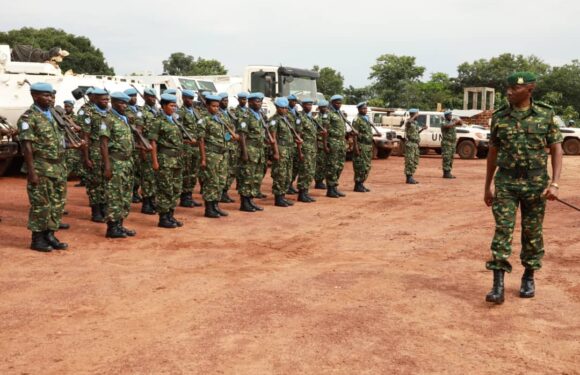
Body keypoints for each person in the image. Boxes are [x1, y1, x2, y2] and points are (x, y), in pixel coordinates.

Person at [484, 72, 563, 304]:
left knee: (532, 233)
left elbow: (557, 149)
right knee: (503, 230)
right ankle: (497, 285)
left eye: (514, 88)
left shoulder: (546, 114)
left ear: (529, 89)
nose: (508, 92)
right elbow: (493, 153)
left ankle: (529, 276)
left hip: (535, 184)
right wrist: (487, 186)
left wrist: (555, 183)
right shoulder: (499, 117)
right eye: (507, 87)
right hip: (506, 182)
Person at [17, 82, 68, 252]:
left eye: (51, 95)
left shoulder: (52, 115)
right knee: (41, 204)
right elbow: (27, 147)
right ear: (35, 96)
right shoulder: (28, 118)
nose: (50, 98)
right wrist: (31, 171)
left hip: (58, 166)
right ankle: (37, 238)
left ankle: (50, 235)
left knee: (57, 202)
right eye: (46, 96)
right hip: (40, 167)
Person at [100, 92, 136, 238]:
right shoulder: (108, 119)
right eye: (121, 103)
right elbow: (103, 144)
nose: (124, 106)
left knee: (125, 195)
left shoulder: (124, 119)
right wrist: (107, 166)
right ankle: (112, 227)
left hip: (127, 162)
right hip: (115, 162)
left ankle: (120, 225)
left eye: (125, 103)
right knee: (115, 195)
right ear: (113, 103)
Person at [148, 94, 186, 228]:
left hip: (177, 160)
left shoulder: (174, 120)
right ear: (163, 106)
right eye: (171, 105)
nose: (174, 108)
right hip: (165, 160)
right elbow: (153, 142)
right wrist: (155, 161)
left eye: (175, 105)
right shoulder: (158, 121)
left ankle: (170, 215)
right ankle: (163, 218)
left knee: (176, 188)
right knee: (165, 189)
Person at [197, 94, 232, 218]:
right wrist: (203, 158)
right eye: (213, 106)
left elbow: (226, 134)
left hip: (222, 154)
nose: (216, 108)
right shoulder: (204, 120)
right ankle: (209, 208)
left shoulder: (221, 118)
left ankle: (216, 206)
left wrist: (229, 138)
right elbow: (200, 140)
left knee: (220, 181)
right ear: (207, 106)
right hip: (211, 154)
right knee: (211, 181)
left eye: (217, 106)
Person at [80, 87, 110, 222]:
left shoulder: (109, 113)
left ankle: (104, 208)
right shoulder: (89, 113)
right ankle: (96, 211)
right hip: (95, 152)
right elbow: (85, 136)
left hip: (108, 152)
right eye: (103, 99)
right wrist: (86, 157)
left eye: (107, 99)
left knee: (106, 182)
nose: (106, 101)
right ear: (95, 99)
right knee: (95, 183)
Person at [237, 92, 268, 212]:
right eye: (256, 101)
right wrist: (244, 152)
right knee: (247, 177)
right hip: (249, 150)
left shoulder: (259, 115)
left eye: (260, 101)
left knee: (256, 177)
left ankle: (250, 200)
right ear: (250, 102)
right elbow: (242, 135)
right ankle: (244, 203)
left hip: (258, 151)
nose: (259, 103)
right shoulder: (246, 116)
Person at [268, 97, 297, 207]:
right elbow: (273, 138)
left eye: (286, 108)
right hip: (280, 150)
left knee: (287, 174)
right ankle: (278, 198)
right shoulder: (274, 120)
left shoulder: (285, 119)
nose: (284, 110)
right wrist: (275, 152)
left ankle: (283, 196)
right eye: (282, 108)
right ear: (277, 108)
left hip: (288, 150)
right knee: (280, 174)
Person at [177, 89, 202, 208]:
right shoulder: (180, 112)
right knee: (186, 172)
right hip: (186, 147)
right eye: (188, 98)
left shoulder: (195, 112)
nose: (190, 101)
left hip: (196, 147)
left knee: (194, 172)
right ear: (183, 98)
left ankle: (189, 195)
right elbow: (177, 130)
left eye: (192, 98)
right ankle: (184, 197)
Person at [295, 98, 319, 202]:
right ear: (303, 106)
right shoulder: (300, 118)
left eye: (310, 105)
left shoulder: (311, 118)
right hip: (305, 148)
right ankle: (301, 194)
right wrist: (299, 151)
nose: (309, 107)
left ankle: (305, 192)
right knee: (304, 170)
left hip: (312, 148)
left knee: (310, 171)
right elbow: (298, 135)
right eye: (307, 105)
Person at [140, 88, 159, 215]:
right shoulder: (141, 113)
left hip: (156, 148)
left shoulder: (157, 111)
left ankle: (153, 201)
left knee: (154, 177)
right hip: (146, 149)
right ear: (144, 97)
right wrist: (142, 151)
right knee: (147, 178)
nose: (152, 99)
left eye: (154, 97)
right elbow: (139, 132)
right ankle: (146, 204)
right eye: (150, 97)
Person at [123, 88, 144, 204]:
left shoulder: (140, 110)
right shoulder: (124, 111)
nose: (134, 98)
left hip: (140, 144)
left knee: (139, 170)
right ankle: (131, 193)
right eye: (131, 96)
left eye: (135, 96)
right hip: (131, 144)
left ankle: (136, 191)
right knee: (131, 170)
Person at [325, 95, 347, 198]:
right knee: (332, 166)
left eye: (340, 103)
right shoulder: (328, 113)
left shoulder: (340, 113)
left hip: (341, 142)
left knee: (339, 165)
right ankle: (330, 189)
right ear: (332, 103)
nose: (339, 104)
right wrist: (326, 144)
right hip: (333, 142)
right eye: (337, 103)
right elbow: (325, 130)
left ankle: (335, 187)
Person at [218, 92, 238, 204]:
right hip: (225, 146)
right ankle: (221, 193)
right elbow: (221, 132)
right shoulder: (218, 114)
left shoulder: (229, 113)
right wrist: (230, 137)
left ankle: (225, 192)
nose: (226, 102)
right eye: (223, 100)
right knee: (224, 171)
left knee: (231, 171)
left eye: (227, 100)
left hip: (232, 147)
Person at [351, 102, 374, 192]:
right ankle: (358, 184)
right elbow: (354, 135)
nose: (365, 110)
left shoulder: (366, 119)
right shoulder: (357, 120)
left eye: (366, 108)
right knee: (360, 165)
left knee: (367, 166)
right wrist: (356, 147)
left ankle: (361, 183)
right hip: (361, 146)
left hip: (368, 146)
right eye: (363, 109)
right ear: (359, 109)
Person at [441, 109, 463, 179]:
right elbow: (448, 126)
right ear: (446, 116)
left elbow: (460, 124)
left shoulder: (452, 121)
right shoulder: (443, 122)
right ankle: (446, 172)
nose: (451, 116)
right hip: (447, 143)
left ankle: (448, 172)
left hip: (452, 143)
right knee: (447, 157)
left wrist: (459, 120)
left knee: (451, 158)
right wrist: (455, 122)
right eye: (449, 115)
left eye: (451, 115)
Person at [404, 108, 424, 184]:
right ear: (413, 114)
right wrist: (414, 115)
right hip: (410, 144)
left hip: (415, 144)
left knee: (415, 161)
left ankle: (411, 176)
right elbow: (408, 122)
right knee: (410, 161)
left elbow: (415, 133)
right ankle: (408, 177)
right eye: (417, 114)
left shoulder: (415, 123)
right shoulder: (409, 122)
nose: (418, 115)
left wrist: (422, 129)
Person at [314, 100, 330, 189]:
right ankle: (318, 181)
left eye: (326, 107)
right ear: (319, 108)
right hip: (320, 144)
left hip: (328, 143)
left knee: (325, 163)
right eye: (323, 107)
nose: (325, 109)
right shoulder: (317, 119)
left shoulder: (328, 118)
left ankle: (321, 180)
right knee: (320, 163)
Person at [287, 94, 301, 195]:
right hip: (288, 142)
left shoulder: (296, 112)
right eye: (292, 101)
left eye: (295, 101)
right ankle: (287, 186)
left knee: (295, 165)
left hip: (295, 142)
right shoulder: (285, 112)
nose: (294, 102)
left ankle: (290, 184)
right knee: (288, 166)